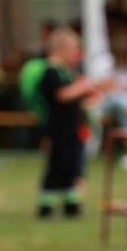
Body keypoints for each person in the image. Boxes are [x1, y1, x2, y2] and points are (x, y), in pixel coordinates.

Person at [36, 27, 102, 218]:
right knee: (57, 165)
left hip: (74, 129)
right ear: (61, 50)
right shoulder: (51, 73)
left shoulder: (70, 73)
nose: (77, 55)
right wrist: (83, 87)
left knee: (74, 166)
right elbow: (62, 95)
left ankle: (71, 203)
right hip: (58, 131)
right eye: (74, 50)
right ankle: (46, 204)